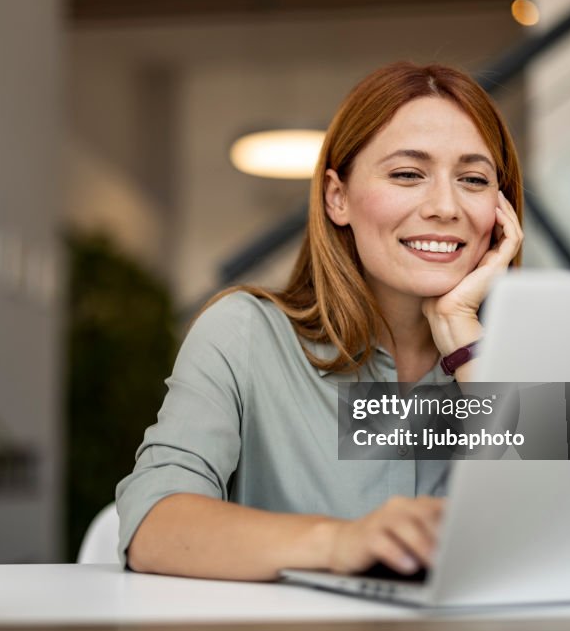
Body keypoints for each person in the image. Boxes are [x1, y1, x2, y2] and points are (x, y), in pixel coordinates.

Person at [115, 61, 524, 581]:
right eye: (406, 174)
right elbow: (154, 525)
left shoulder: (527, 354)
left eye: (473, 179)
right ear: (338, 197)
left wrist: (466, 342)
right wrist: (341, 542)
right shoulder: (244, 335)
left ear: (501, 208)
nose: (445, 206)